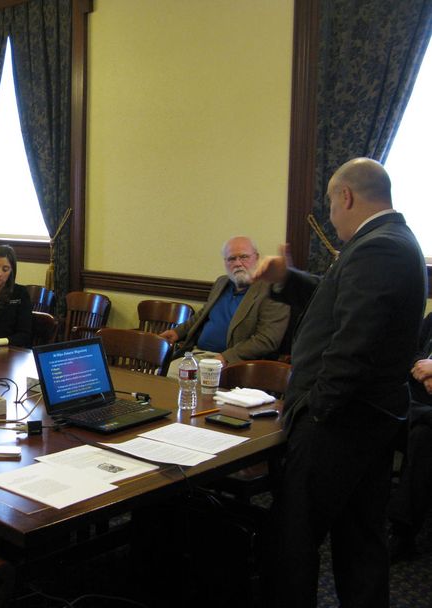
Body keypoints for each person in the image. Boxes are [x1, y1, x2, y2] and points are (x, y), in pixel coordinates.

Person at [253, 158, 426, 607]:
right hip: (369, 417)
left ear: (344, 196)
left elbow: (354, 346)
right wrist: (287, 278)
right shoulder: (388, 242)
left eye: (330, 204)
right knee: (359, 541)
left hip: (341, 422)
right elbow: (340, 295)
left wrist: (314, 410)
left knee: (294, 538)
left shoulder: (377, 248)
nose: (330, 216)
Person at [160, 236, 289, 376]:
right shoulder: (222, 283)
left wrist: (226, 357)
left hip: (236, 364)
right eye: (231, 259)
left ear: (256, 258)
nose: (238, 263)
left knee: (172, 379)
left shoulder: (273, 291)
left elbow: (266, 340)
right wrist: (178, 332)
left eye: (244, 257)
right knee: (157, 377)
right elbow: (203, 314)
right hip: (197, 354)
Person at [387, 312, 432, 562]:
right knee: (379, 412)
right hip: (417, 399)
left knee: (423, 437)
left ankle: (403, 534)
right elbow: (413, 353)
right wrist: (424, 372)